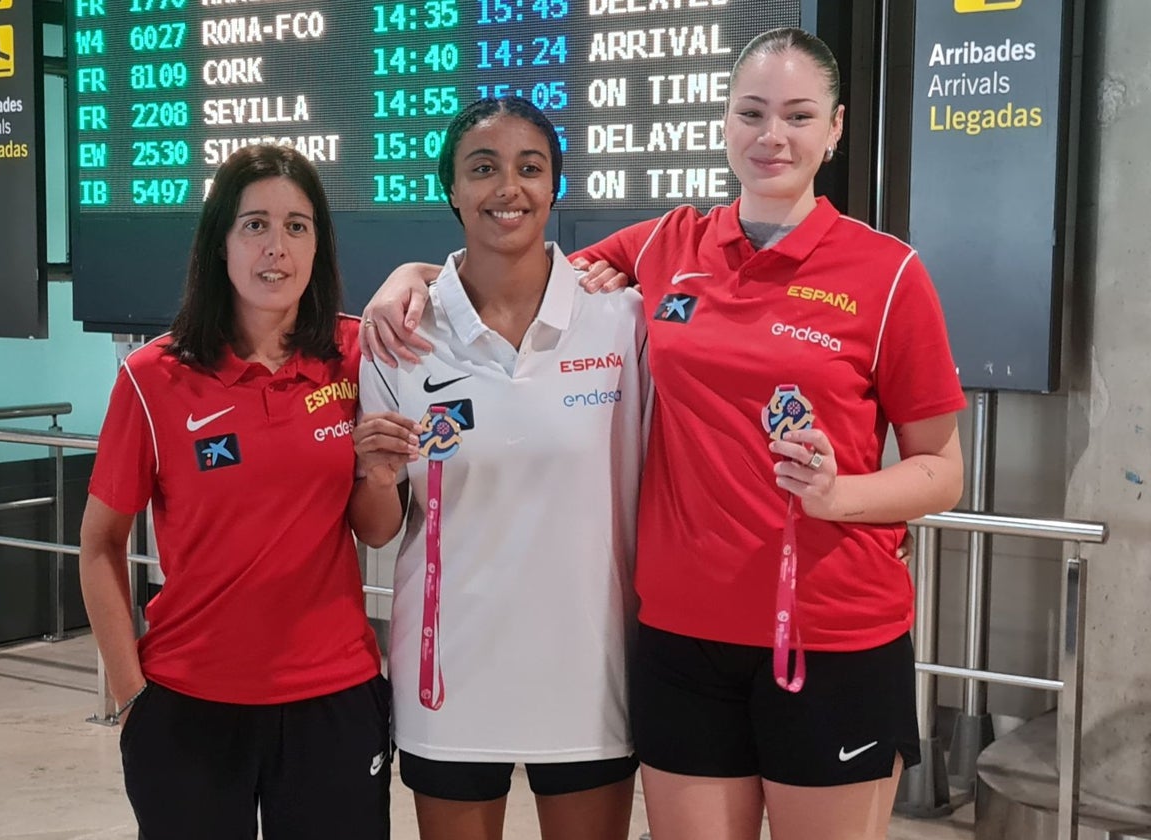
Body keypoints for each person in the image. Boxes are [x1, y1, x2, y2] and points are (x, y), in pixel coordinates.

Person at [358, 27, 966, 840]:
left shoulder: (888, 273)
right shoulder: (668, 246)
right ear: (725, 123)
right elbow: (513, 253)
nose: (771, 135)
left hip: (828, 632)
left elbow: (942, 472)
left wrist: (838, 493)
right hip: (682, 641)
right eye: (752, 112)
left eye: (797, 115)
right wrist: (409, 279)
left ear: (837, 128)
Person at [349, 96, 648, 840]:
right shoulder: (399, 334)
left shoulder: (622, 321)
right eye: (483, 168)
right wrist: (378, 476)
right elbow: (379, 529)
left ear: (555, 187)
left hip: (591, 671)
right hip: (449, 676)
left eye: (529, 168)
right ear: (451, 187)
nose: (507, 188)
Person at [79, 144, 390, 840]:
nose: (276, 247)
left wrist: (376, 471)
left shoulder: (357, 355)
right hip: (189, 704)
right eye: (255, 224)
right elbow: (99, 545)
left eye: (297, 226)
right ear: (220, 243)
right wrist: (132, 695)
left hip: (333, 697)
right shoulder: (152, 378)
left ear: (318, 246)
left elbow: (376, 529)